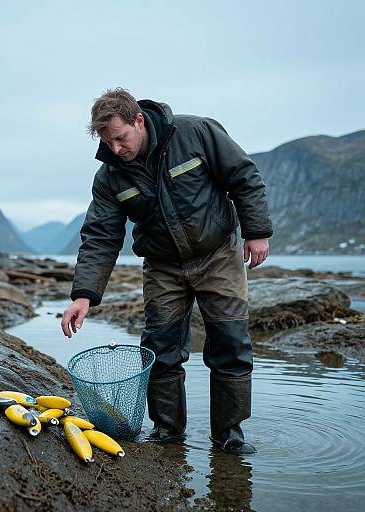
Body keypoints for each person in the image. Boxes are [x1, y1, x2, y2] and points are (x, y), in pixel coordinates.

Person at [61, 88, 272, 454]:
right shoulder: (110, 177)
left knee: (230, 343)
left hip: (218, 255)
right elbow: (100, 236)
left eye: (120, 138)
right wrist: (83, 295)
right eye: (107, 142)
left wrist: (256, 232)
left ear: (138, 120)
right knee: (160, 348)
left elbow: (243, 176)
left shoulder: (196, 133)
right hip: (162, 267)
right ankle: (167, 431)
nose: (115, 149)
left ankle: (230, 433)